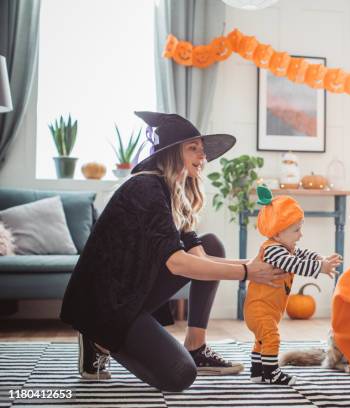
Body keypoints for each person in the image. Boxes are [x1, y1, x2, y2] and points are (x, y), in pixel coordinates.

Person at [60, 111, 287, 392]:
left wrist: (252, 263)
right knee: (179, 375)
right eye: (193, 148)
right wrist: (246, 272)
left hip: (130, 294)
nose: (202, 157)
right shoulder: (145, 187)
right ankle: (96, 340)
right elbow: (179, 264)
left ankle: (196, 346)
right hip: (104, 306)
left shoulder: (172, 193)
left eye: (202, 151)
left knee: (211, 243)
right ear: (170, 153)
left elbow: (201, 259)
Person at [243, 185, 342, 385]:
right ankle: (272, 373)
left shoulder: (284, 247)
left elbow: (303, 254)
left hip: (267, 310)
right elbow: (295, 264)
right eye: (296, 230)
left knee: (261, 340)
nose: (300, 235)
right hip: (260, 308)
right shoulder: (273, 250)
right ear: (278, 234)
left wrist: (320, 258)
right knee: (271, 338)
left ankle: (257, 372)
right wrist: (319, 268)